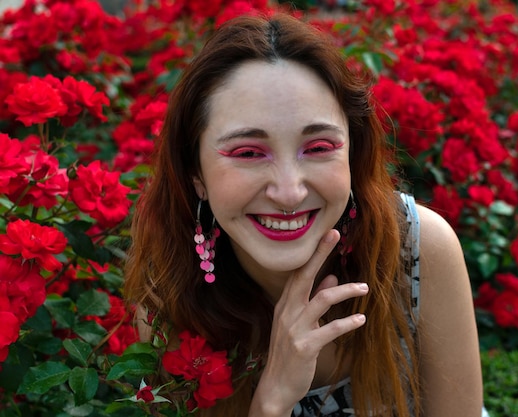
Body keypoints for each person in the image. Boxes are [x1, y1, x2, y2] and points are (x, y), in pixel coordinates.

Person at [124, 12, 485, 417]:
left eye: (317, 148)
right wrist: (271, 402)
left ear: (353, 152)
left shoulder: (417, 249)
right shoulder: (170, 298)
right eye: (248, 153)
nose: (290, 192)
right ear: (196, 176)